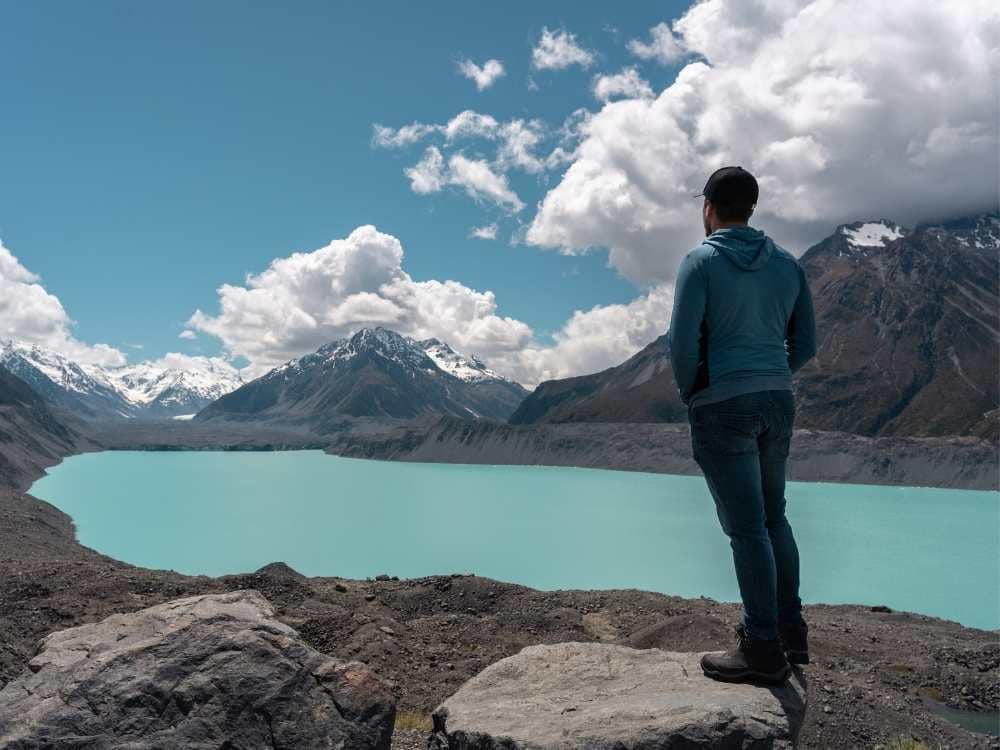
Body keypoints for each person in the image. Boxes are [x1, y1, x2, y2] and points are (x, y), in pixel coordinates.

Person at [667, 166, 817, 684]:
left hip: (723, 405)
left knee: (747, 527)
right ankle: (791, 633)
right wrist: (773, 376)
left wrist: (695, 391)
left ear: (708, 207)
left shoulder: (701, 262)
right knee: (775, 517)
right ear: (751, 208)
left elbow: (682, 344)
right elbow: (807, 344)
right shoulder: (788, 266)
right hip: (778, 399)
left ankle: (761, 649)